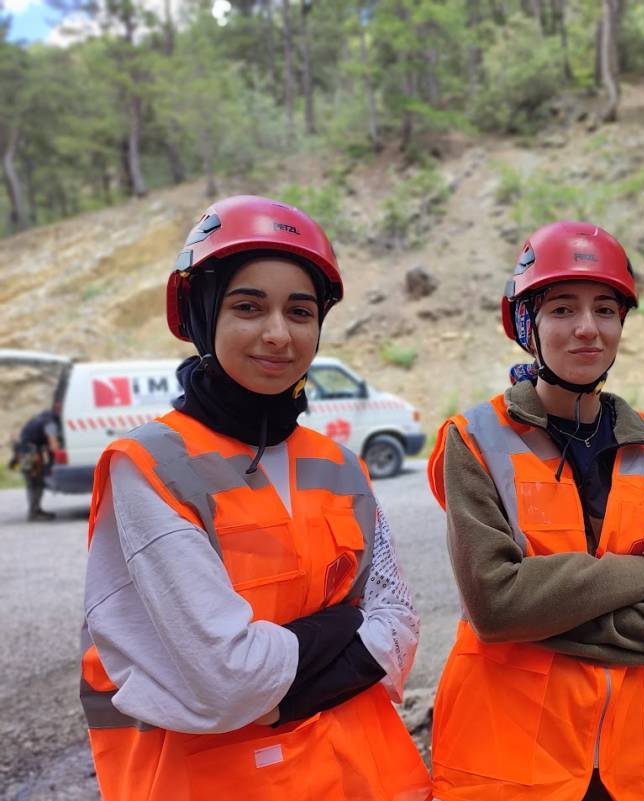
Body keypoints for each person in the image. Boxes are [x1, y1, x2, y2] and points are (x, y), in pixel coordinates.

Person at [80, 195, 431, 801]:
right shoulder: (151, 468)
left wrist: (269, 685)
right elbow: (226, 681)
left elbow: (398, 627)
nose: (278, 334)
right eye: (248, 306)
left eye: (300, 311)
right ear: (200, 316)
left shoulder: (341, 466)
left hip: (360, 777)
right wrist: (347, 626)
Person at [427, 220, 644, 801]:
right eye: (563, 309)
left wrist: (542, 616)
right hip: (515, 764)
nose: (587, 329)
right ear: (528, 324)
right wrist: (643, 574)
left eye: (605, 310)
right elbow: (497, 605)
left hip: (641, 766)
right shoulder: (475, 439)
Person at [11, 401, 62, 520]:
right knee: (36, 482)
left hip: (24, 451)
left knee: (32, 482)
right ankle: (34, 512)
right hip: (31, 454)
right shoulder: (50, 422)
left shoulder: (41, 417)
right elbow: (54, 445)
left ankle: (35, 510)